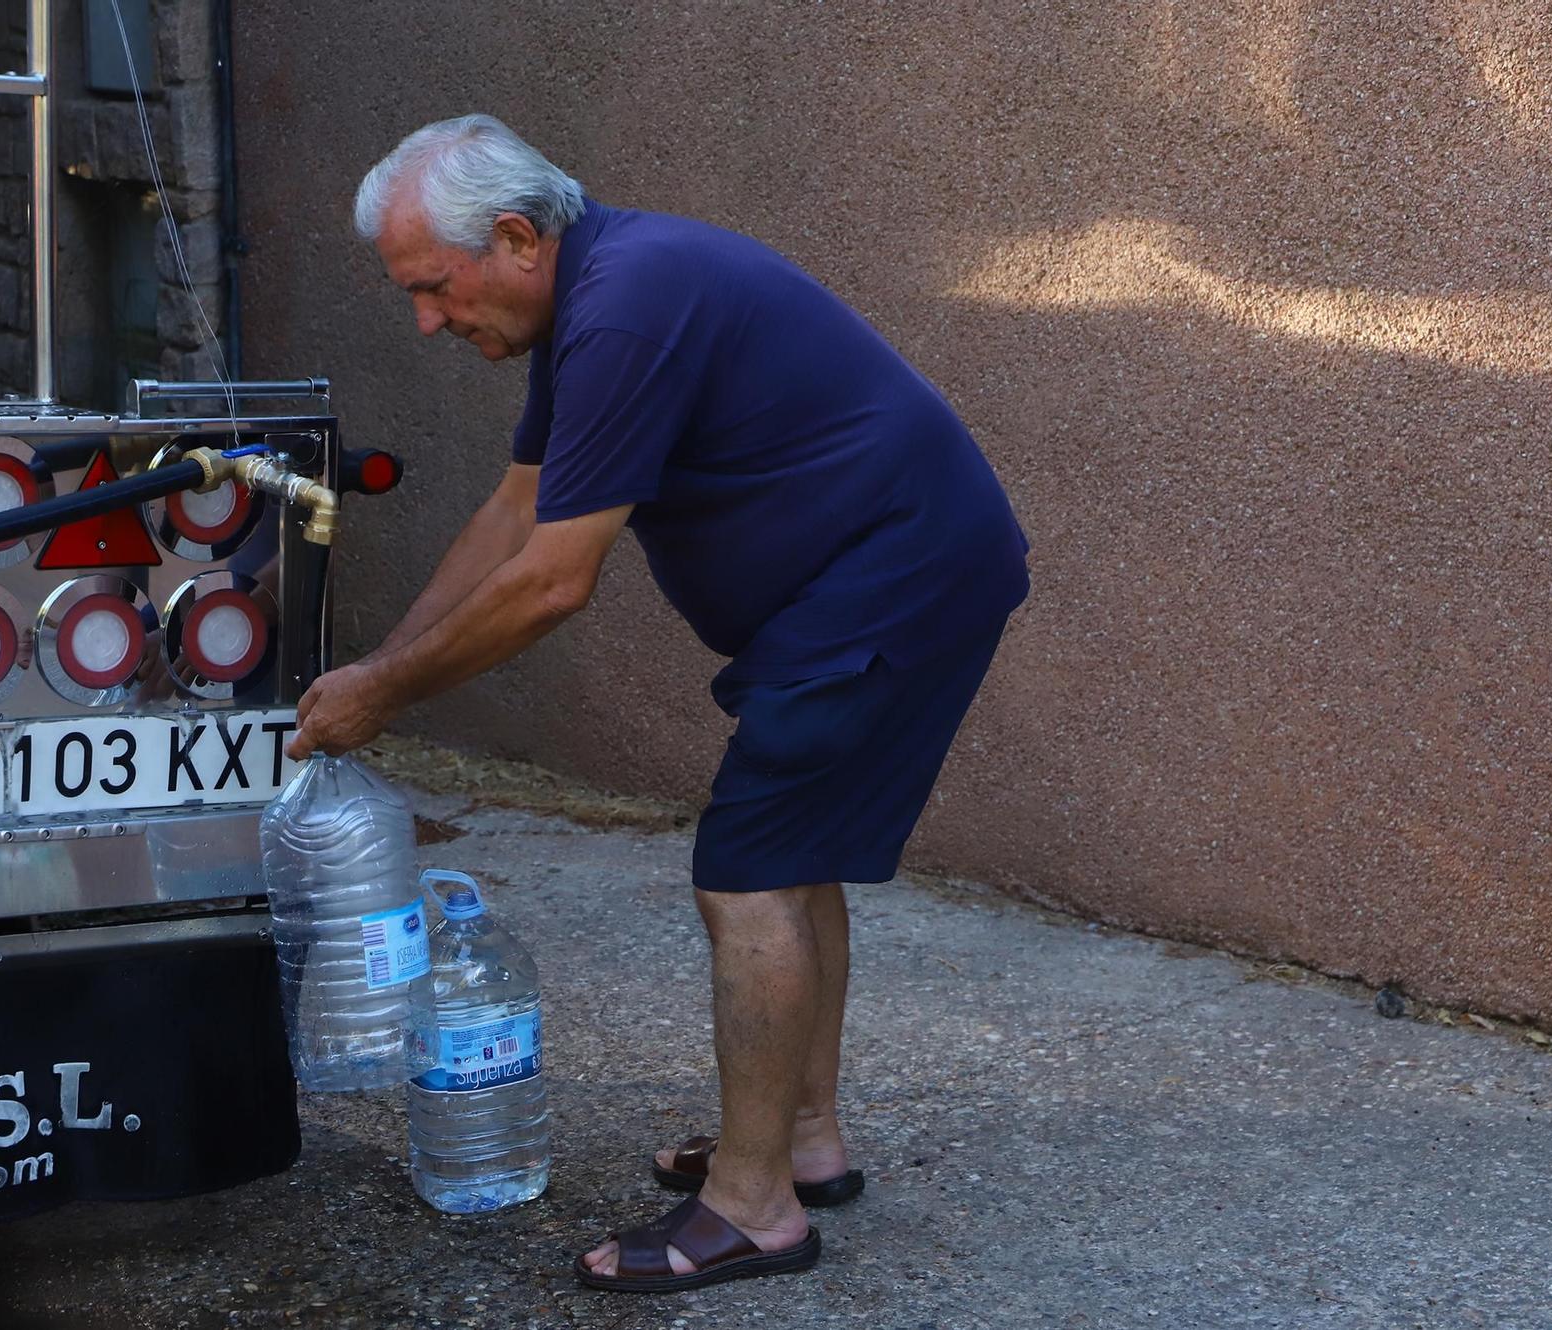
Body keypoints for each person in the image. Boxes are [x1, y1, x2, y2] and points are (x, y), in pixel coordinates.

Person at [287, 114, 1028, 1293]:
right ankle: (800, 1140)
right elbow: (513, 515)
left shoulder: (626, 305)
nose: (426, 321)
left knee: (744, 869)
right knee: (791, 855)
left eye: (432, 288)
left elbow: (549, 581)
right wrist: (381, 661)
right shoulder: (596, 299)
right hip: (877, 579)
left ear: (517, 238)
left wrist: (384, 695)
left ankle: (752, 1210)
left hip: (893, 580)